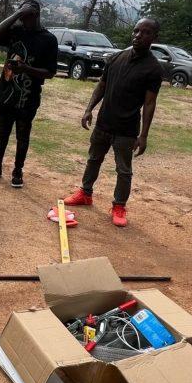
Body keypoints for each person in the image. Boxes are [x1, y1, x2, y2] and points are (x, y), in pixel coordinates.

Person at [64, 17, 163, 227]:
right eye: (136, 31)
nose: (138, 36)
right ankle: (85, 193)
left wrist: (143, 135)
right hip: (103, 123)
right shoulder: (116, 58)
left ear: (154, 37)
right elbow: (101, 85)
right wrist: (88, 109)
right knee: (93, 159)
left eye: (145, 32)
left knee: (124, 170)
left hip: (127, 130)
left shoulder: (153, 68)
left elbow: (150, 103)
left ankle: (119, 206)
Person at [0, 0, 58, 189]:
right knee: (2, 133)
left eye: (28, 15)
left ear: (36, 14)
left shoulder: (48, 39)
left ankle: (17, 170)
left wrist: (26, 69)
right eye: (22, 16)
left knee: (22, 135)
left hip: (28, 97)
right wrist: (16, 14)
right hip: (7, 92)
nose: (24, 20)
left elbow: (50, 72)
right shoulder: (16, 31)